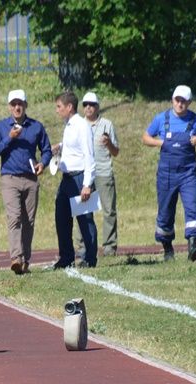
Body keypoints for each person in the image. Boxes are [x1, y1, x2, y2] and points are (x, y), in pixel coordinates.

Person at [0, 89, 51, 274]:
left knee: (28, 221)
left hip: (31, 179)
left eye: (20, 103)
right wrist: (9, 138)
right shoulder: (0, 127)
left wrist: (43, 163)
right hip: (10, 178)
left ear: (25, 105)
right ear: (9, 107)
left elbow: (46, 149)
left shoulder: (36, 127)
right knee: (14, 217)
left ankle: (25, 260)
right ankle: (16, 257)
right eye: (13, 104)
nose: (17, 107)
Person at [143, 85, 196, 261]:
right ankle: (167, 248)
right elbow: (146, 138)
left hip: (188, 173)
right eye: (177, 100)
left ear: (189, 102)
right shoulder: (161, 118)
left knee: (192, 208)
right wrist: (160, 143)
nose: (180, 104)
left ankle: (193, 246)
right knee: (165, 211)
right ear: (172, 100)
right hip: (167, 173)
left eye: (184, 101)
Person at [47, 91, 97, 271]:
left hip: (80, 178)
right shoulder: (68, 126)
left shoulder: (82, 126)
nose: (57, 110)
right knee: (61, 217)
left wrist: (87, 184)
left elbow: (89, 155)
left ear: (69, 107)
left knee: (85, 219)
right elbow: (71, 145)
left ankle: (90, 258)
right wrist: (59, 147)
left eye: (59, 106)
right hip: (67, 179)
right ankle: (66, 257)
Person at [80, 92, 120, 256]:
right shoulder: (78, 124)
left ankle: (109, 246)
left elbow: (116, 152)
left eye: (92, 104)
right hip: (83, 174)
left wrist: (109, 143)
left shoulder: (106, 124)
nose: (88, 107)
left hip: (103, 171)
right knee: (82, 211)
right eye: (85, 104)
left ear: (97, 107)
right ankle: (83, 247)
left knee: (108, 210)